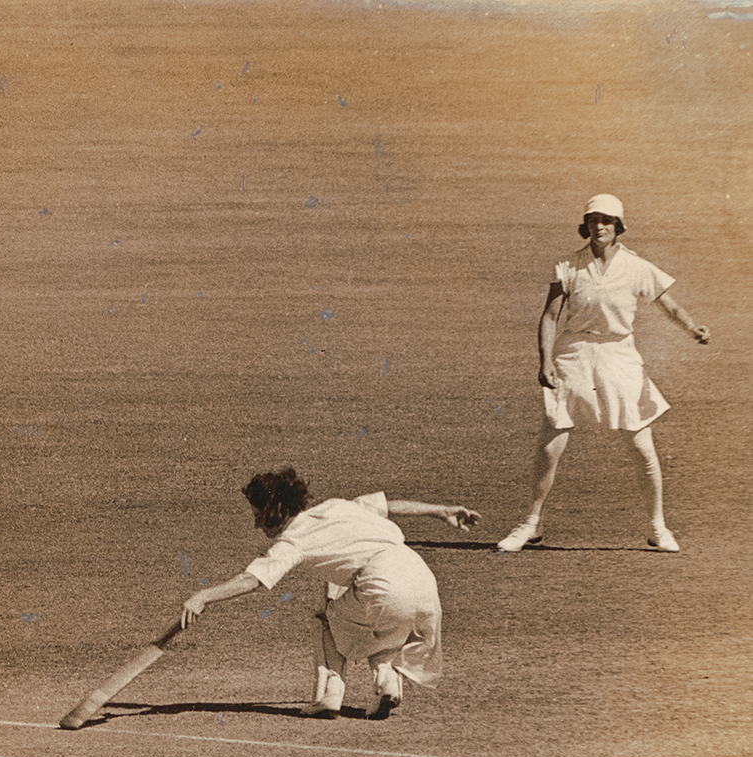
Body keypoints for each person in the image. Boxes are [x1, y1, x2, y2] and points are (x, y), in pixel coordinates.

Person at [496, 194, 711, 553]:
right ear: (586, 225)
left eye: (607, 221)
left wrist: (693, 329)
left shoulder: (637, 267)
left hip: (620, 356)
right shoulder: (568, 265)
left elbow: (668, 305)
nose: (600, 227)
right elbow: (550, 316)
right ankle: (531, 524)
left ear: (618, 226)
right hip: (574, 355)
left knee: (641, 445)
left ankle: (658, 528)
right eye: (593, 220)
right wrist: (544, 360)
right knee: (552, 444)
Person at [180, 469, 480, 720]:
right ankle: (387, 682)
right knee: (377, 623)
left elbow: (253, 579)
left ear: (277, 511)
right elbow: (390, 505)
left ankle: (329, 694)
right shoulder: (337, 505)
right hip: (423, 579)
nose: (256, 523)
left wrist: (204, 595)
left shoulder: (294, 539)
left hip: (382, 582)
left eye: (259, 515)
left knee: (328, 615)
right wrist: (442, 511)